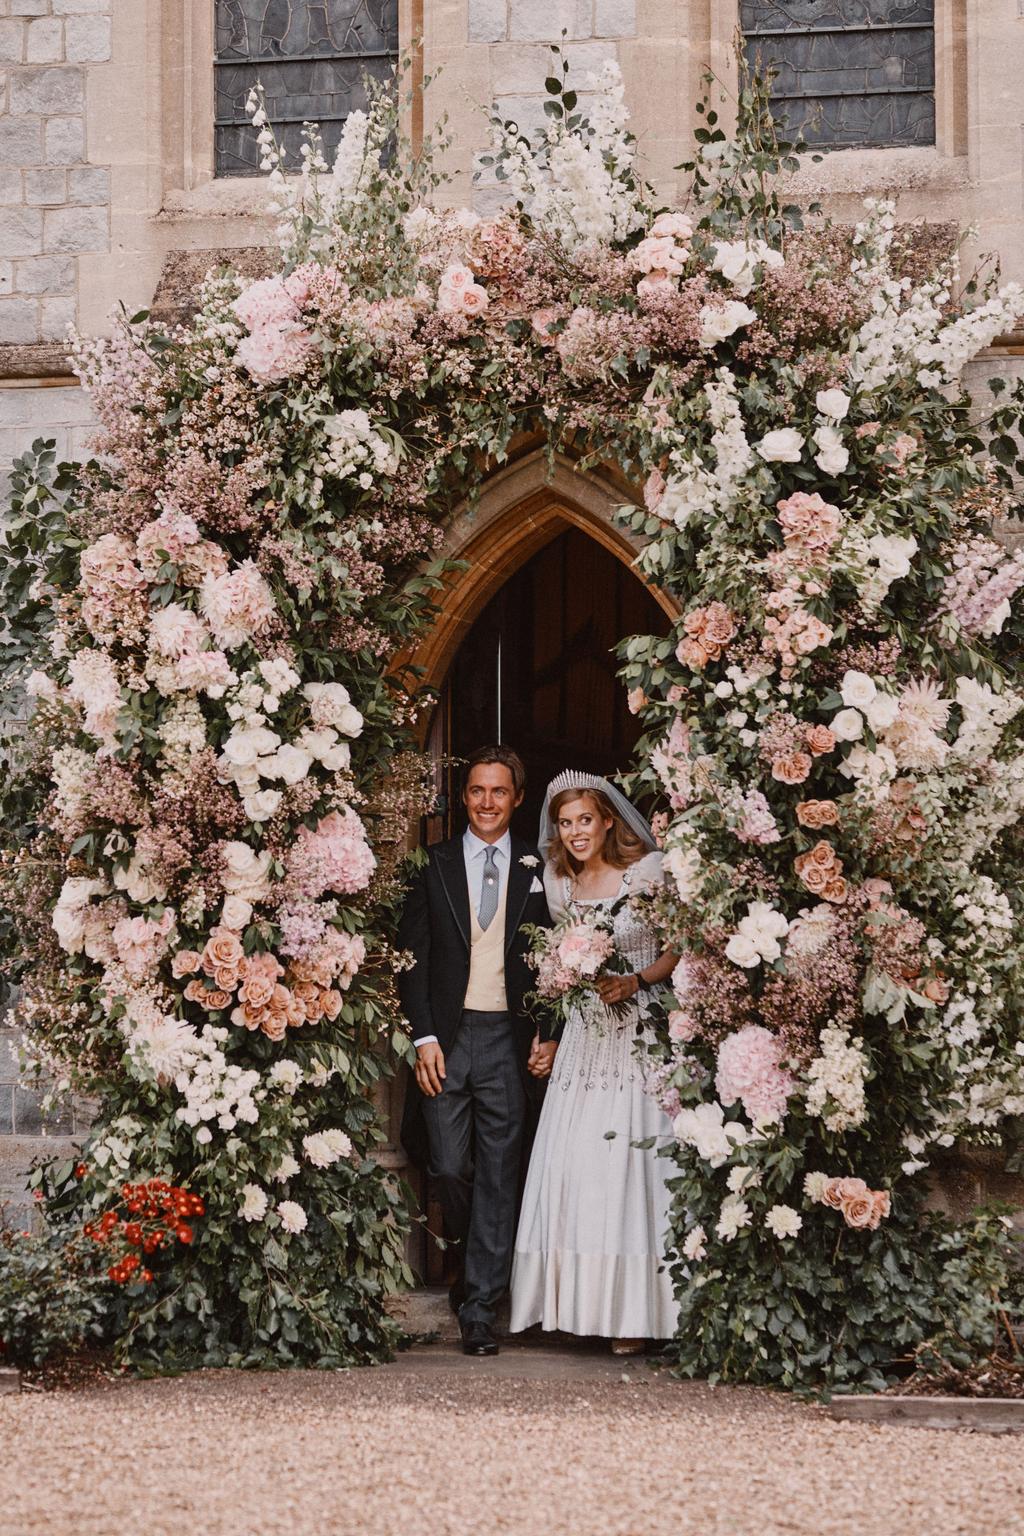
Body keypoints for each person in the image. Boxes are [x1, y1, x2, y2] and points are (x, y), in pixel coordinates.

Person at [510, 770, 680, 1352]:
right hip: (585, 1040)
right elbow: (557, 972)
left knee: (633, 1166)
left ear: (609, 820)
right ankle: (578, 1304)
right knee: (579, 1164)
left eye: (585, 819)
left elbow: (677, 945)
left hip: (639, 1030)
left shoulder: (647, 874)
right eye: (565, 823)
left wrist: (636, 978)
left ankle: (636, 1314)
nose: (576, 832)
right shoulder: (559, 885)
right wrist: (553, 1024)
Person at [398, 745, 554, 1356]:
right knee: (447, 1166)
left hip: (507, 1040)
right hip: (447, 1036)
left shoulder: (539, 869)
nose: (487, 803)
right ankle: (468, 1260)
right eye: (476, 792)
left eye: (499, 792)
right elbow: (411, 959)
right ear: (464, 798)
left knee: (498, 1173)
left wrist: (547, 1030)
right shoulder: (431, 864)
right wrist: (424, 1035)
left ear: (517, 798)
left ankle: (481, 1307)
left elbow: (554, 963)